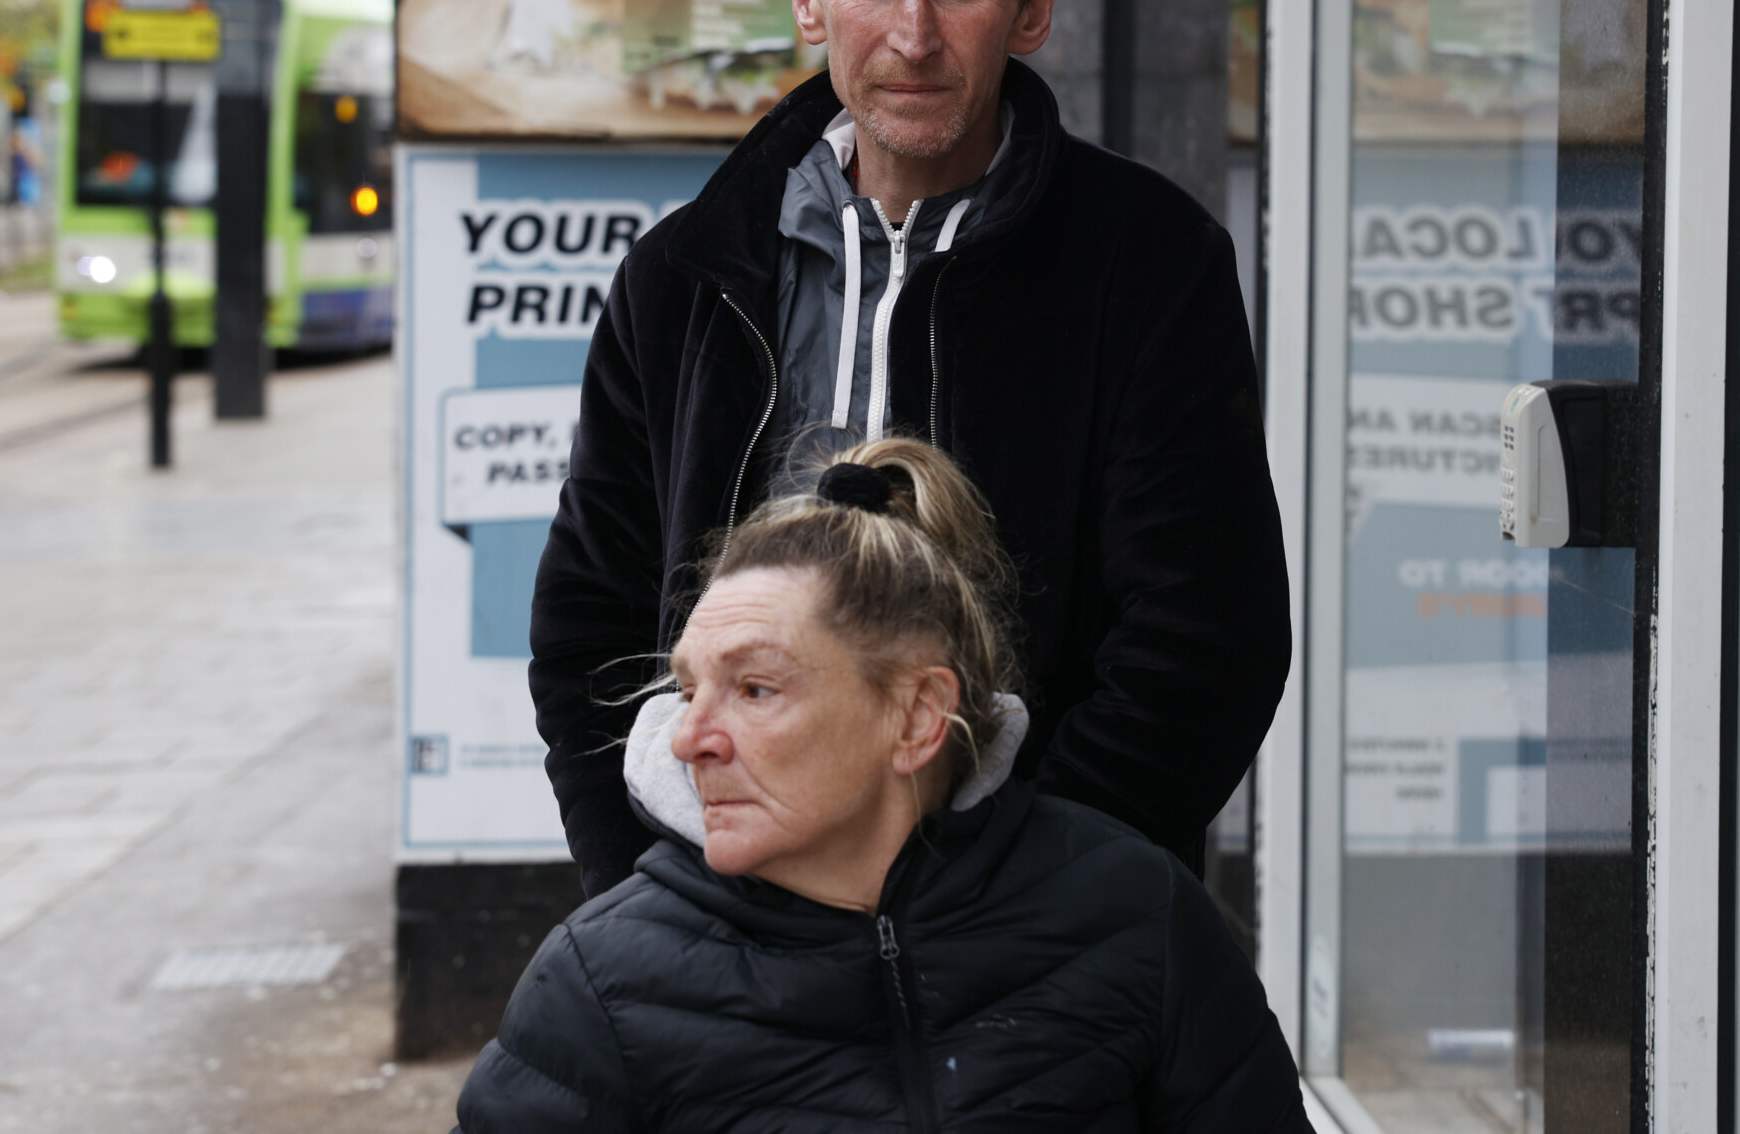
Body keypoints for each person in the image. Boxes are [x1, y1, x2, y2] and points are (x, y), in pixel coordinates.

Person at [532, 0, 1291, 899]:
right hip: (724, 910)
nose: (912, 35)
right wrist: (654, 893)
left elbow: (1204, 639)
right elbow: (588, 625)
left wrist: (1012, 903)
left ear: (1030, 9)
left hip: (1033, 931)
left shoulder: (1149, 265)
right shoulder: (684, 277)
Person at [462, 441, 1313, 1132]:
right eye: (688, 690)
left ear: (917, 716)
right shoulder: (599, 984)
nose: (689, 739)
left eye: (754, 689)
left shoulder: (1133, 914)